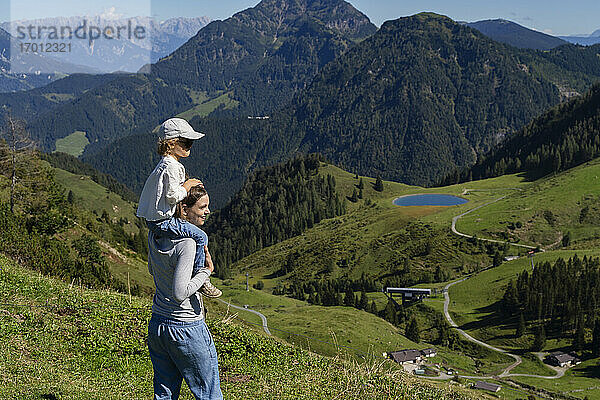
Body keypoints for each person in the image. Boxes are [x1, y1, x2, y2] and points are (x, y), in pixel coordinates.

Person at [147, 185, 223, 400]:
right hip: (185, 327)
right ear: (183, 209)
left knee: (164, 392)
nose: (207, 211)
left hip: (159, 325)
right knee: (208, 393)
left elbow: (152, 269)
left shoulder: (154, 236)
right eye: (202, 207)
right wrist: (206, 272)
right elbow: (181, 293)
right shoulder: (188, 243)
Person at [137, 117, 221, 298]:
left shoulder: (166, 164)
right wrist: (187, 186)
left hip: (156, 222)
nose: (189, 145)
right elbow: (172, 196)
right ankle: (201, 278)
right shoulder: (171, 167)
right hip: (163, 221)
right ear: (171, 143)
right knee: (200, 236)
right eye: (186, 142)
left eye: (190, 142)